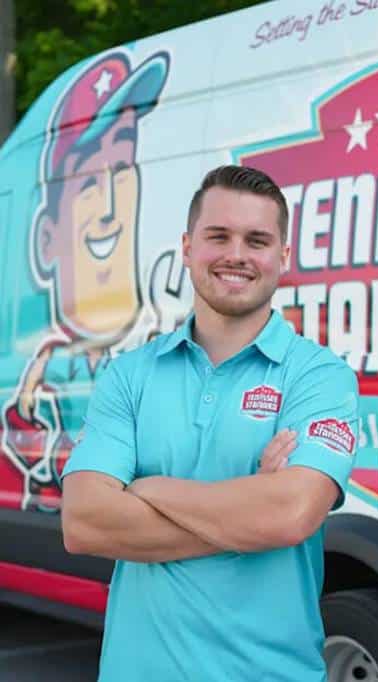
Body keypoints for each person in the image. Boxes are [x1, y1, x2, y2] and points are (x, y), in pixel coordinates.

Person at [61, 165, 359, 682]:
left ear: (283, 257)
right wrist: (247, 510)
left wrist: (146, 489)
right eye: (218, 236)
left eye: (257, 240)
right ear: (187, 246)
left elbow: (288, 515)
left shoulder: (320, 377)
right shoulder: (131, 375)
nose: (236, 255)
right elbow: (84, 523)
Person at [1, 50, 169, 510]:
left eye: (121, 173)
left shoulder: (168, 346)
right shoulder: (44, 378)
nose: (112, 211)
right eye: (91, 183)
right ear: (45, 241)